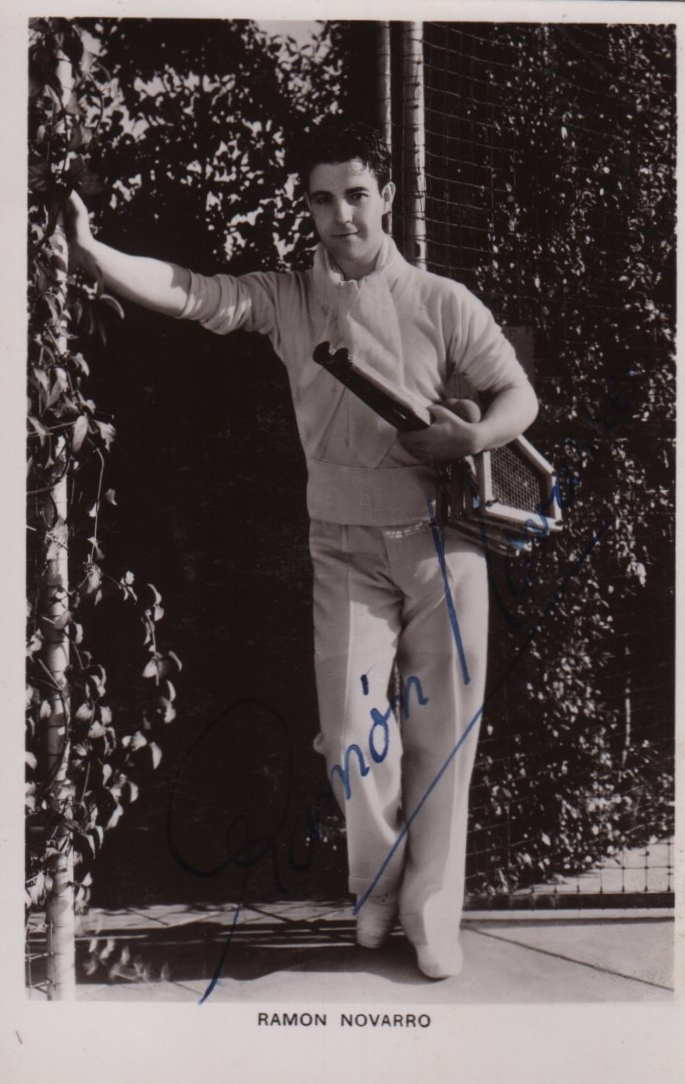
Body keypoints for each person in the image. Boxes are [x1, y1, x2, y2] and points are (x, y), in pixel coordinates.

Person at [66, 120, 538, 980]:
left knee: (443, 734)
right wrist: (96, 257)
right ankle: (377, 891)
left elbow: (517, 399)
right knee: (354, 729)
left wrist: (466, 444)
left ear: (384, 196)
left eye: (356, 195)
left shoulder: (442, 301)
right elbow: (194, 291)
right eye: (322, 199)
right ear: (308, 207)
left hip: (443, 547)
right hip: (342, 549)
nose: (341, 216)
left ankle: (432, 917)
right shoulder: (288, 298)